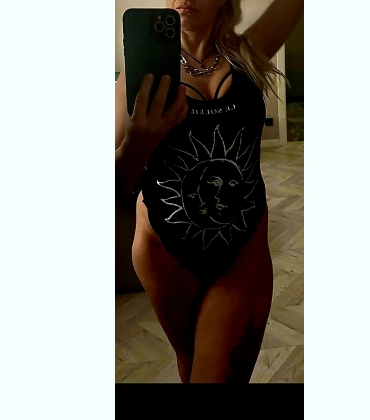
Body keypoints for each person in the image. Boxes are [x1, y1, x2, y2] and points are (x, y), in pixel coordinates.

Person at [115, 0, 303, 383]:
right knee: (190, 361)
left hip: (242, 252)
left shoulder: (249, 53)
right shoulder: (137, 74)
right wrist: (137, 142)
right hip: (163, 253)